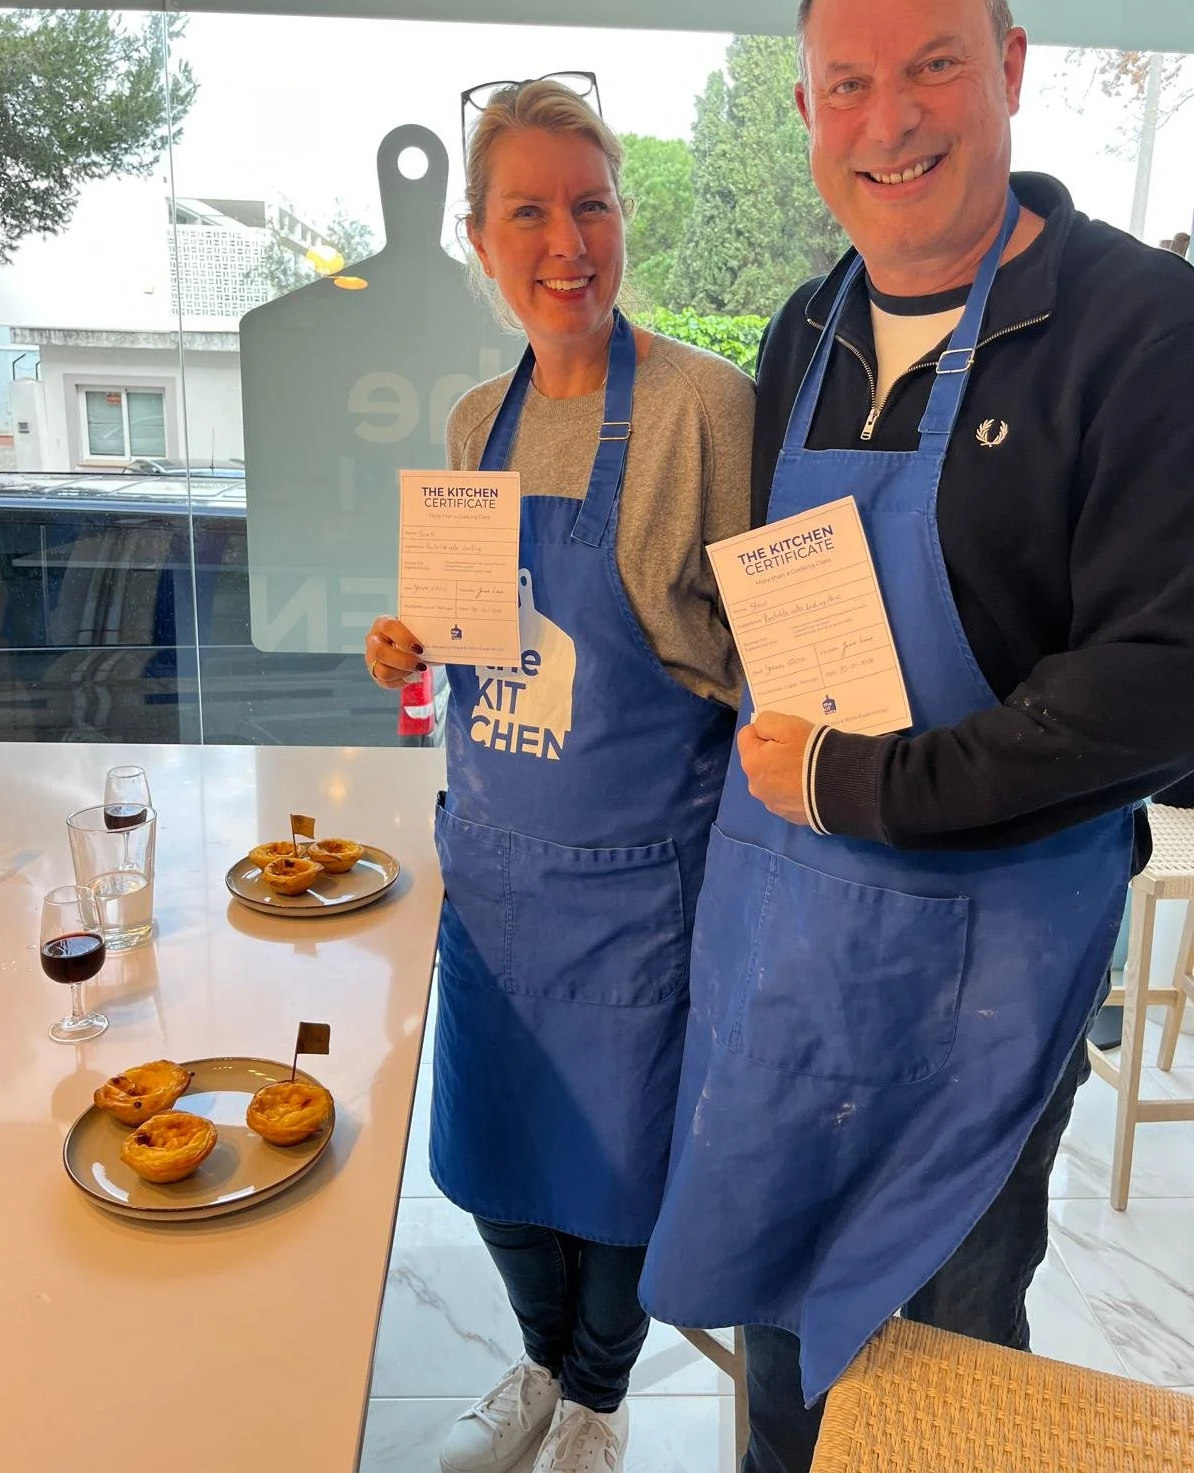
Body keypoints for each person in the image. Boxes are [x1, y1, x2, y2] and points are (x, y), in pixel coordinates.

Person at [637, 0, 1194, 1473]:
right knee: (777, 1349)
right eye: (847, 81)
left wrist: (865, 787)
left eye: (934, 64)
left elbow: (1160, 685)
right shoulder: (805, 329)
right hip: (793, 950)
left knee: (927, 1378)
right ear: (808, 110)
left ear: (1009, 70)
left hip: (989, 979)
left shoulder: (1138, 332)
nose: (891, 119)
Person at [365, 78, 753, 1473]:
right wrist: (409, 638)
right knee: (491, 1159)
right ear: (479, 238)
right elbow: (471, 637)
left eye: (591, 204)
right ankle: (538, 1360)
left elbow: (764, 646)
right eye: (528, 210)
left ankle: (596, 1396)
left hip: (647, 882)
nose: (566, 241)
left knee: (622, 1174)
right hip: (497, 873)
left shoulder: (709, 411)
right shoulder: (480, 420)